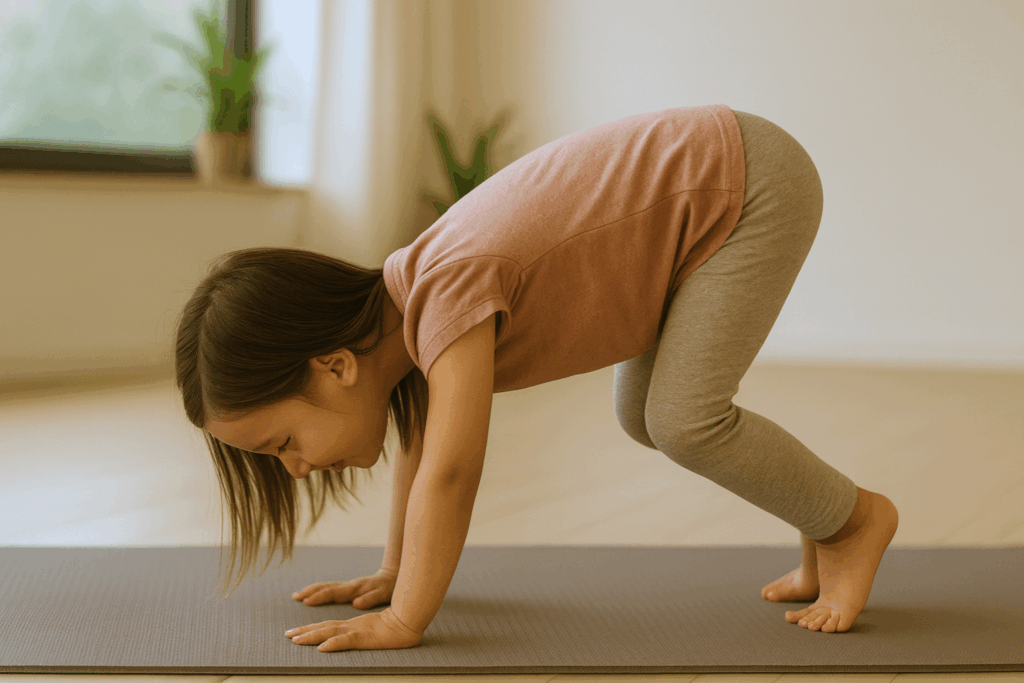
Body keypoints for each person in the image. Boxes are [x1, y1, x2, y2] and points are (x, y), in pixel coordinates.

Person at [174, 104, 898, 652]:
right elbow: (422, 452)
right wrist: (395, 570)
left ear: (334, 366)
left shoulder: (443, 293)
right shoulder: (410, 311)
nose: (296, 470)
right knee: (645, 414)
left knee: (684, 418)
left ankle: (855, 519)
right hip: (704, 198)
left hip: (746, 184)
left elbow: (452, 473)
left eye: (282, 444)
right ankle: (820, 514)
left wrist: (407, 617)